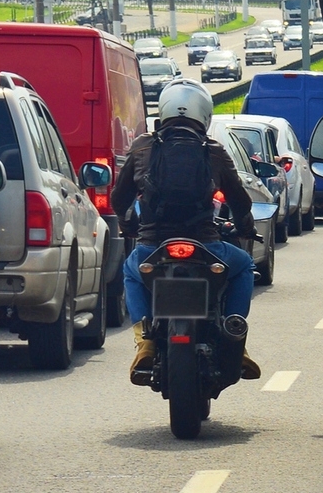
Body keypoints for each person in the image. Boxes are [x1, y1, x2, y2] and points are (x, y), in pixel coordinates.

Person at [111, 77, 262, 384]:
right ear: (204, 115)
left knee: (131, 271)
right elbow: (240, 201)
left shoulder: (142, 148)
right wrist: (246, 229)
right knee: (244, 265)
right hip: (206, 243)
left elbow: (119, 199)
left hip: (153, 244)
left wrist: (130, 226)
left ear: (163, 110)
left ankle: (146, 339)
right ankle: (235, 332)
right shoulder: (214, 150)